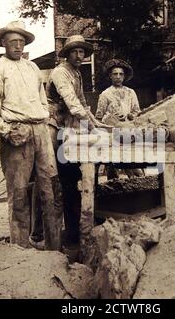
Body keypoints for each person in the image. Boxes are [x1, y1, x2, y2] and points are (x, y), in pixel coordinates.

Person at [0, 21, 62, 250]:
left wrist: (44, 118)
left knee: (50, 188)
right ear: (3, 44)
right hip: (16, 132)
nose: (18, 46)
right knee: (18, 193)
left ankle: (54, 248)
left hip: (40, 130)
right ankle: (20, 251)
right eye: (12, 42)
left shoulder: (33, 68)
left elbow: (41, 99)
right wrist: (8, 132)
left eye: (21, 42)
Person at [46, 35, 106, 245]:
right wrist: (93, 127)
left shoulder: (77, 73)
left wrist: (96, 124)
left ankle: (85, 222)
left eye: (82, 52)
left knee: (85, 174)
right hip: (55, 125)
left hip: (71, 125)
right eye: (75, 52)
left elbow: (82, 102)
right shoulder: (60, 72)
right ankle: (63, 234)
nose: (79, 55)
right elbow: (72, 103)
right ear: (67, 54)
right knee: (60, 180)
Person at [95, 58, 143, 179]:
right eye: (115, 74)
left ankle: (136, 184)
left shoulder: (130, 93)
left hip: (129, 133)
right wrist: (110, 118)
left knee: (134, 166)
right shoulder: (105, 94)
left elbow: (137, 111)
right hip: (112, 135)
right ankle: (113, 187)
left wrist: (132, 115)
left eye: (121, 74)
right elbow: (98, 119)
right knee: (113, 167)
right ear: (110, 76)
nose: (118, 77)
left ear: (124, 76)